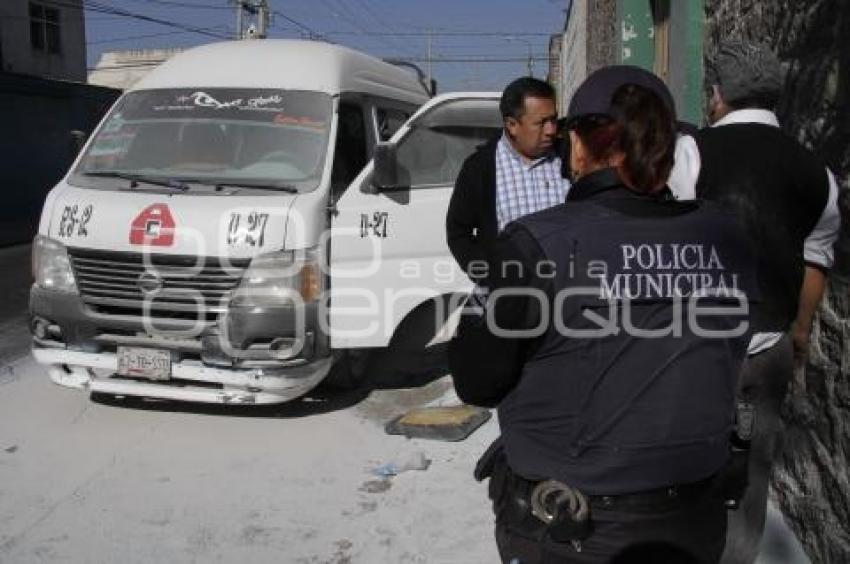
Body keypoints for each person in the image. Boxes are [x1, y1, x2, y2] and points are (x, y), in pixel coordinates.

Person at [449, 65, 758, 563]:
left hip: (572, 530)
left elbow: (476, 379)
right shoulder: (729, 238)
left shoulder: (532, 246)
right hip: (693, 521)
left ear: (577, 147)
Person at [691, 41, 841, 564]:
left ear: (717, 96)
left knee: (686, 465)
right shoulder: (814, 172)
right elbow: (814, 264)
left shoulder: (690, 155)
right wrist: (798, 335)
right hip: (769, 346)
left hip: (695, 350)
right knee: (752, 471)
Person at [446, 77, 569, 280]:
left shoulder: (570, 157)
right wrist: (490, 277)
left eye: (553, 119)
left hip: (566, 294)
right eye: (541, 123)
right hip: (512, 300)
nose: (551, 130)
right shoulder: (480, 168)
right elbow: (458, 233)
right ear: (512, 124)